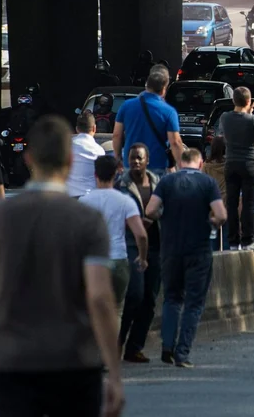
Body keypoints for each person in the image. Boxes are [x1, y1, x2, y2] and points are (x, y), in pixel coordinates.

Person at [0, 116, 125, 416]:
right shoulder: (87, 219)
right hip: (73, 362)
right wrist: (115, 374)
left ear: (28, 159)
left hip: (12, 361)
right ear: (70, 160)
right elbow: (99, 297)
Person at [145, 147, 226, 368]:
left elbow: (150, 210)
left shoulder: (167, 182)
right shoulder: (208, 183)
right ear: (200, 164)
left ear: (181, 163)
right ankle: (182, 353)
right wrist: (211, 223)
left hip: (170, 249)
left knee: (172, 298)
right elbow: (221, 214)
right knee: (194, 303)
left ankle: (167, 346)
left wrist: (165, 218)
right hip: (198, 249)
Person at [80, 155, 147, 328]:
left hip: (94, 262)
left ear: (95, 175)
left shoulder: (84, 202)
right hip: (118, 258)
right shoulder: (125, 201)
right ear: (115, 175)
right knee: (116, 310)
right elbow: (141, 234)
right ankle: (111, 352)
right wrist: (142, 256)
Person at [116, 145, 160, 364]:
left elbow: (165, 206)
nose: (135, 162)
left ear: (147, 160)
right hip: (130, 244)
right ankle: (117, 343)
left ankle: (134, 347)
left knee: (150, 299)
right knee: (134, 294)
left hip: (155, 245)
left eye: (139, 158)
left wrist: (152, 218)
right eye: (132, 158)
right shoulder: (121, 184)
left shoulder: (157, 182)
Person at [219, 87, 254, 252]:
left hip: (231, 163)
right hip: (249, 164)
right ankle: (248, 240)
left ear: (233, 100)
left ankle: (233, 242)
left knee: (232, 204)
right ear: (249, 101)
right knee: (249, 204)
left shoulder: (225, 117)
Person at [113, 64, 185, 173]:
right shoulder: (169, 111)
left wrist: (117, 158)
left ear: (147, 85)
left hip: (131, 165)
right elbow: (175, 142)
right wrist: (182, 167)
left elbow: (117, 135)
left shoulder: (126, 106)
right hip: (157, 166)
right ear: (164, 88)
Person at [67, 111, 107, 199]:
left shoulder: (67, 147)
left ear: (77, 129)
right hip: (91, 199)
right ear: (94, 128)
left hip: (69, 199)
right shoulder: (99, 151)